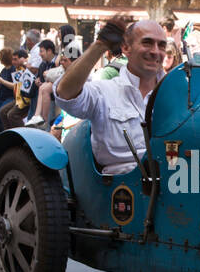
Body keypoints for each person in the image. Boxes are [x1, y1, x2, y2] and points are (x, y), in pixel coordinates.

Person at [54, 14, 168, 175]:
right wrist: (100, 45)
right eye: (147, 43)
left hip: (173, 182)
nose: (156, 51)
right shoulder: (104, 92)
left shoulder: (179, 93)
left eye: (162, 46)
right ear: (126, 48)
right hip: (118, 188)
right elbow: (65, 93)